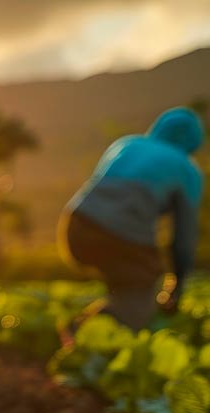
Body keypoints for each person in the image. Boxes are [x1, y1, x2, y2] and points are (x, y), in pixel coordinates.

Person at [61, 106, 204, 330]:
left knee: (124, 286)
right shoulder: (187, 169)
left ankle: (87, 335)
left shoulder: (127, 144)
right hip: (123, 237)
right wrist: (177, 286)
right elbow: (183, 239)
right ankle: (83, 337)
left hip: (76, 226)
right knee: (137, 309)